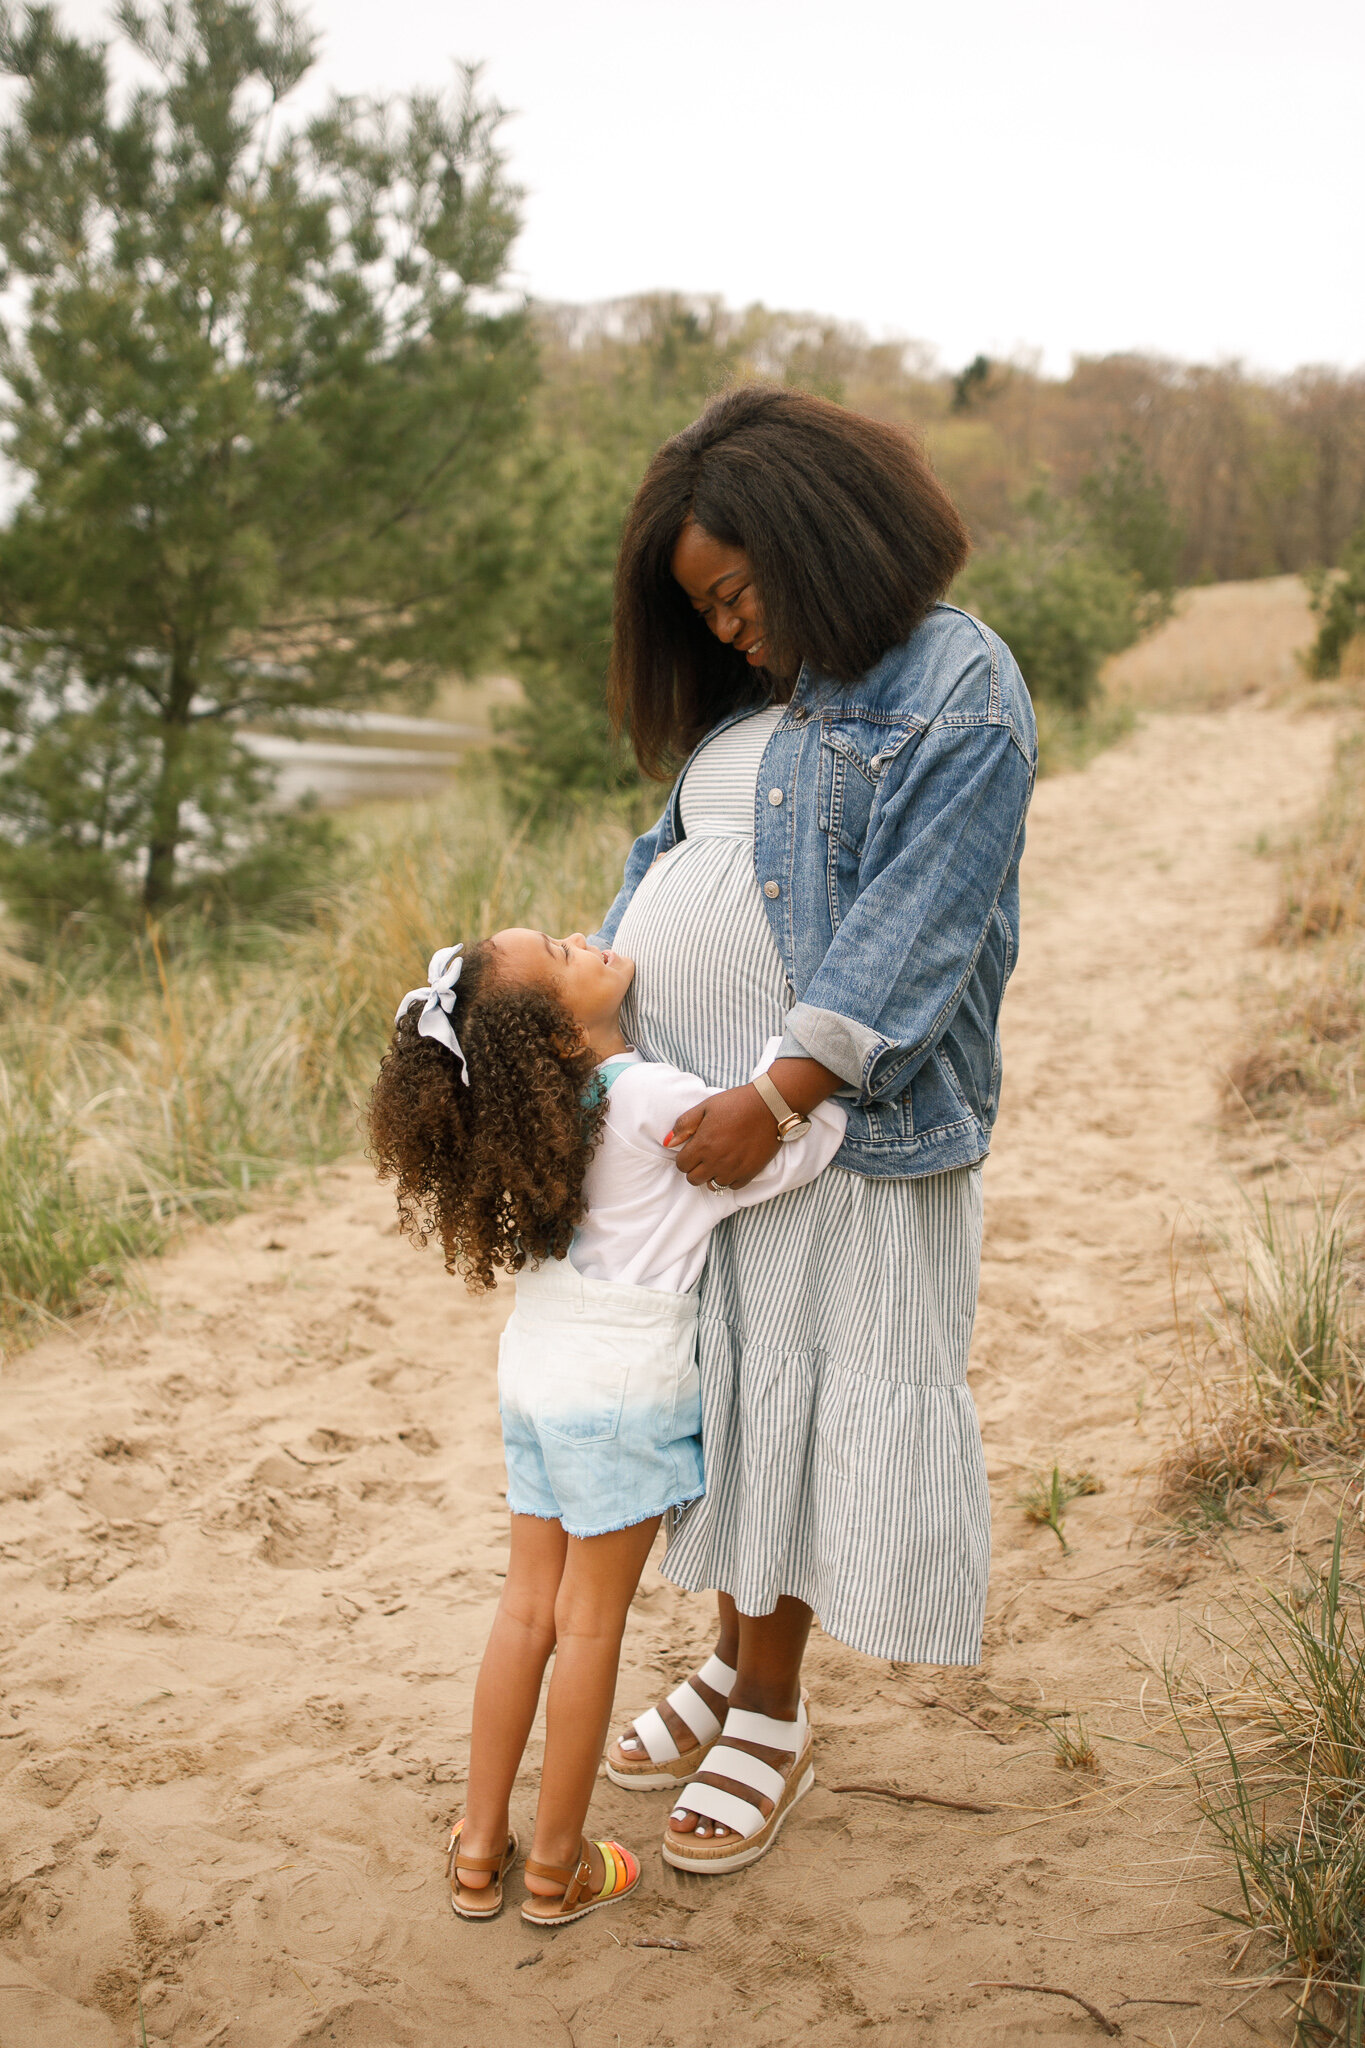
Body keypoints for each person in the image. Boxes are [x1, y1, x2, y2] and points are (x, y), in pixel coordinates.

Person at [593, 384, 1036, 1875]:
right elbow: (674, 870)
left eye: (739, 594)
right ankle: (729, 1662)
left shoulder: (959, 682)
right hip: (705, 1133)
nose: (725, 631)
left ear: (823, 534)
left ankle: (771, 1706)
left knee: (798, 1408)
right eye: (703, 610)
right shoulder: (764, 701)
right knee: (737, 1410)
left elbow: (916, 923)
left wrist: (780, 1093)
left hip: (827, 1135)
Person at [367, 928, 845, 1924]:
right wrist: (798, 1081)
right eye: (561, 949)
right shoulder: (647, 1099)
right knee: (589, 1623)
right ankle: (554, 1864)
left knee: (524, 1609)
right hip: (617, 1388)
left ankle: (476, 1844)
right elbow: (782, 1157)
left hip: (537, 1368)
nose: (589, 937)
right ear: (556, 1028)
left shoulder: (538, 1120)